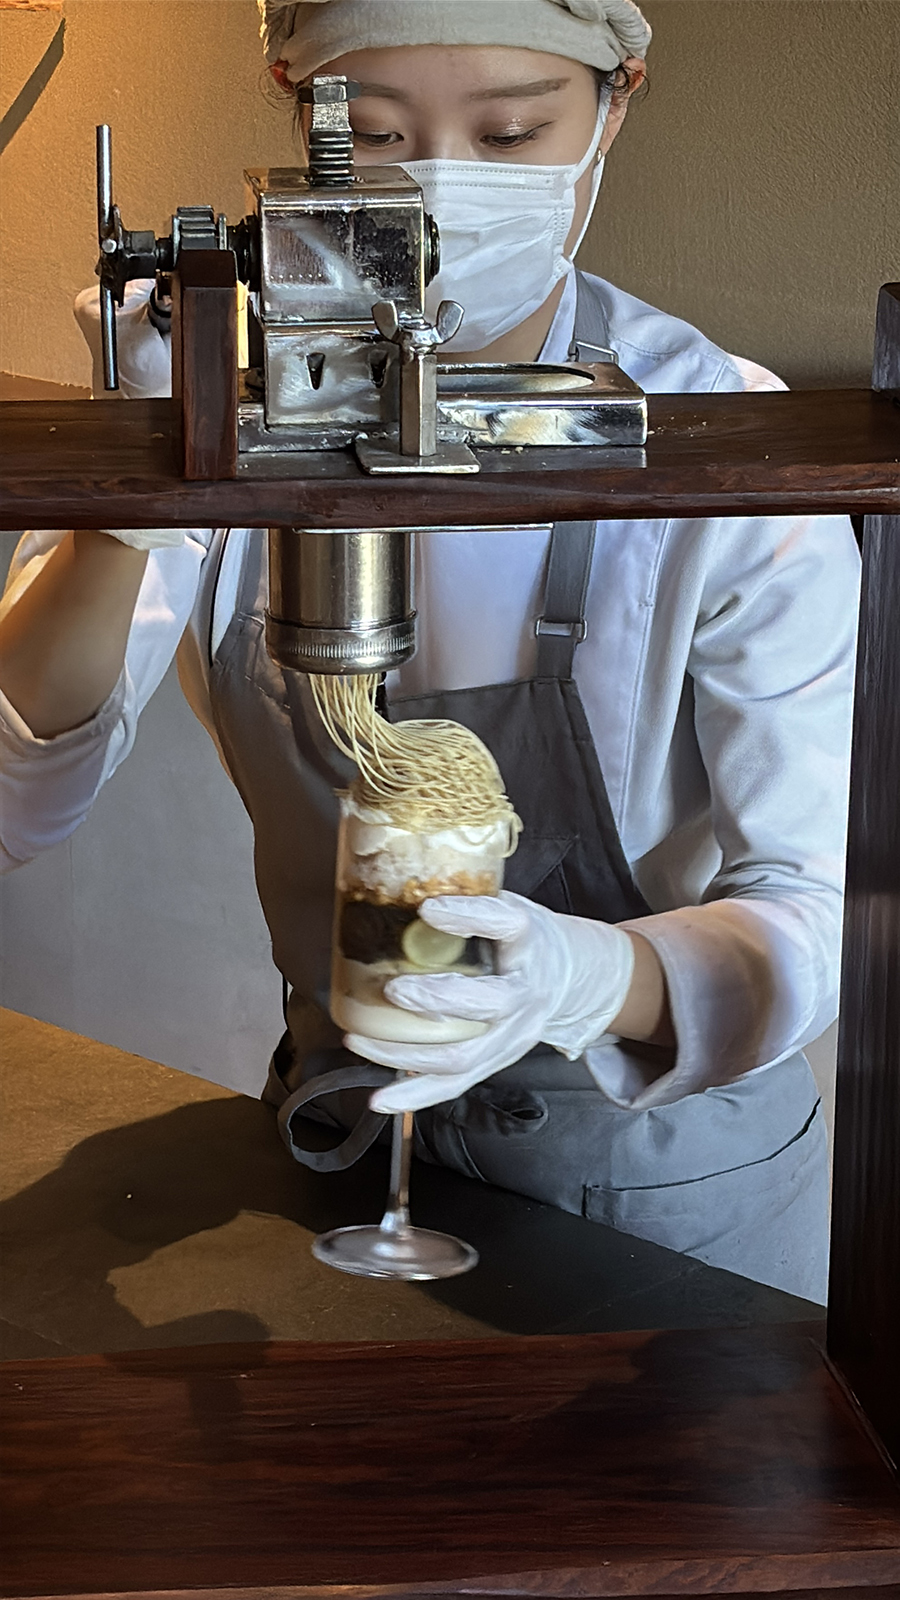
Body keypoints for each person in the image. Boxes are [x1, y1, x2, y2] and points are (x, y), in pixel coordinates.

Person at [0, 0, 860, 1302]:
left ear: (616, 101)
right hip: (343, 1153)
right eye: (376, 136)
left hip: (673, 1201)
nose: (442, 189)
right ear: (295, 101)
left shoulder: (720, 441)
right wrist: (130, 496)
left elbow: (826, 912)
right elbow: (15, 802)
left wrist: (583, 979)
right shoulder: (227, 401)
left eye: (510, 134)